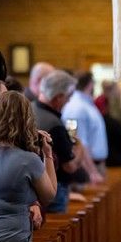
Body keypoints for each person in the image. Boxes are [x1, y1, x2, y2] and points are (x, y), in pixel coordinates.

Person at [0, 91, 57, 242]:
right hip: (11, 241)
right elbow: (49, 195)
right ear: (26, 120)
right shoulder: (29, 160)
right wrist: (47, 155)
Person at [32, 70, 83, 213]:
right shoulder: (54, 123)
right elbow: (69, 166)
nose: (68, 101)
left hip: (34, 188)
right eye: (68, 97)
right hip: (54, 189)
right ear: (59, 97)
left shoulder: (29, 108)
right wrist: (80, 148)